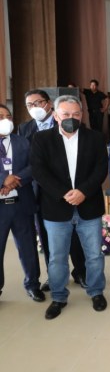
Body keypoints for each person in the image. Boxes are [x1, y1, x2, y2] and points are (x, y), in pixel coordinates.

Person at [30, 95, 108, 320]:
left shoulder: (95, 138)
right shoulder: (41, 139)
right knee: (57, 257)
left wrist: (83, 191)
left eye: (76, 114)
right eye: (65, 114)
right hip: (56, 208)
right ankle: (58, 297)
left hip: (88, 205)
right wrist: (64, 193)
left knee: (94, 255)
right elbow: (39, 171)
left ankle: (96, 292)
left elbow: (101, 169)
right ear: (55, 115)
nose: (71, 118)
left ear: (82, 115)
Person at [18, 89, 87, 292]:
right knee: (47, 236)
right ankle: (54, 276)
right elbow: (28, 162)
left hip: (72, 191)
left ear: (49, 104)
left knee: (75, 234)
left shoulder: (71, 122)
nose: (35, 107)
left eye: (38, 102)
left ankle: (80, 272)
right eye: (30, 105)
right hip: (40, 191)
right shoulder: (24, 128)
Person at [0, 104, 44, 302]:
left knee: (28, 247)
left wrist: (14, 179)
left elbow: (34, 165)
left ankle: (33, 284)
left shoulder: (23, 141)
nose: (5, 120)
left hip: (22, 203)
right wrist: (3, 179)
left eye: (8, 116)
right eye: (1, 116)